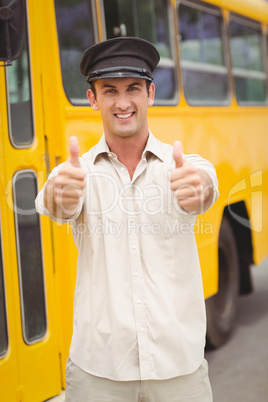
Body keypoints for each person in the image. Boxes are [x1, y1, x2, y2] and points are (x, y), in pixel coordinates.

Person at [35, 37, 219, 402]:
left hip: (178, 370)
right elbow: (56, 202)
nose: (122, 102)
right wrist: (62, 195)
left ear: (150, 93)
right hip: (99, 374)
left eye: (133, 88)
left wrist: (199, 190)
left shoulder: (183, 166)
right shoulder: (76, 172)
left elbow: (203, 186)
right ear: (93, 99)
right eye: (109, 90)